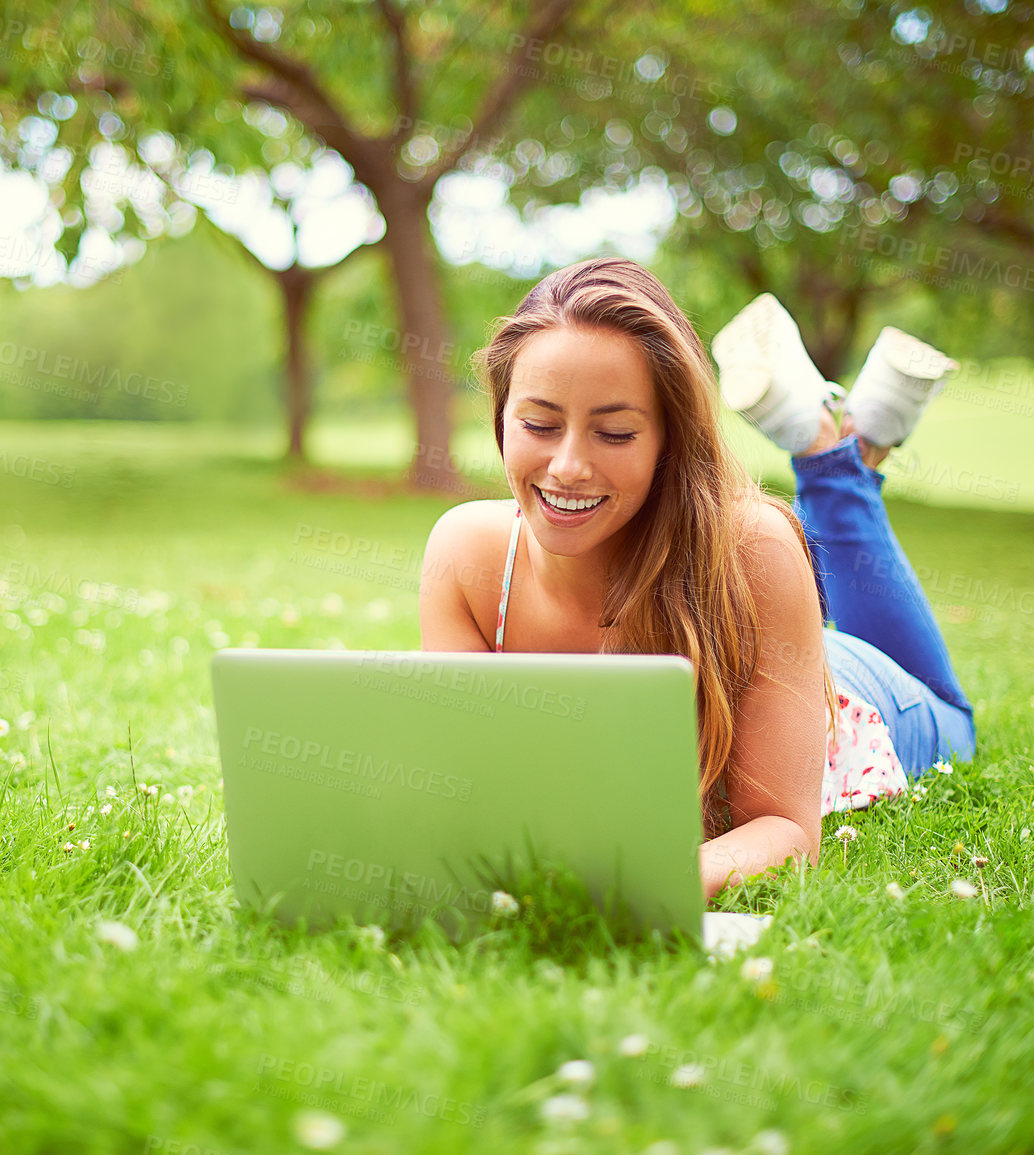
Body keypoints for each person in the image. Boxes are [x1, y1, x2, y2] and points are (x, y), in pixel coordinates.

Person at [418, 258, 976, 901]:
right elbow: (464, 788)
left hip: (849, 697)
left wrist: (626, 886)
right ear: (500, 418)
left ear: (668, 440)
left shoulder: (752, 548)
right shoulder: (466, 555)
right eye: (539, 425)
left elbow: (786, 830)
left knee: (955, 717)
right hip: (786, 654)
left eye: (616, 432)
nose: (567, 466)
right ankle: (854, 437)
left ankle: (829, 454)